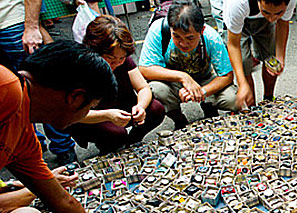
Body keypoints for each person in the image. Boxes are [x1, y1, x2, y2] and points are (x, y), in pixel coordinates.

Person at [0, 40, 133, 213]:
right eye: (90, 106)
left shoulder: (25, 136)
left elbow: (61, 200)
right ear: (76, 98)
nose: (87, 113)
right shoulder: (7, 89)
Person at [63, 15, 165, 155]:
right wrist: (107, 115)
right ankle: (108, 149)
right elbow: (74, 113)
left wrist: (140, 106)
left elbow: (143, 88)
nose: (117, 63)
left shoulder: (123, 60)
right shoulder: (81, 66)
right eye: (111, 59)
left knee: (156, 109)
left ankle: (133, 141)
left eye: (121, 58)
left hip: (121, 107)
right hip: (92, 116)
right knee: (116, 133)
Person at [0, 0, 77, 165]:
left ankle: (63, 147)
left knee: (42, 88)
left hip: (12, 23)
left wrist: (32, 27)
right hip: (11, 25)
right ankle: (32, 149)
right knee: (13, 98)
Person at [139, 0, 236, 130]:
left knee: (233, 98)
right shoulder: (159, 30)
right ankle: (178, 118)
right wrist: (183, 77)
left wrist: (202, 91)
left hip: (204, 79)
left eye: (190, 38)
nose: (183, 43)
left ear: (201, 30)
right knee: (156, 89)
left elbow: (226, 75)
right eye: (177, 37)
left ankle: (209, 107)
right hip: (172, 82)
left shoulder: (211, 37)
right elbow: (145, 69)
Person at [224, 0, 297, 107]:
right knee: (243, 63)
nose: (272, 18)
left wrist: (280, 57)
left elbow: (283, 23)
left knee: (271, 58)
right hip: (236, 15)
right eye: (267, 12)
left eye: (279, 13)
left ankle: (268, 99)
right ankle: (251, 106)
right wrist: (242, 84)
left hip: (259, 16)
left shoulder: (290, 1)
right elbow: (233, 45)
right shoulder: (237, 4)